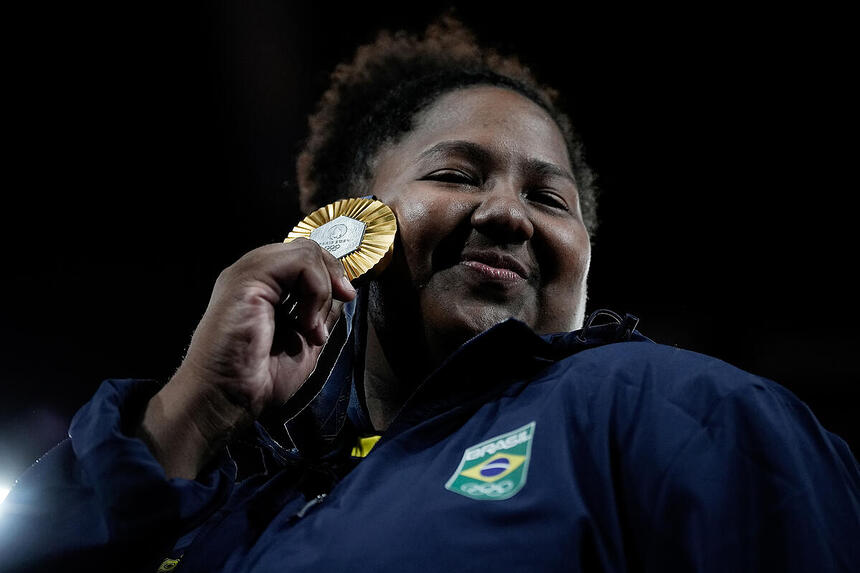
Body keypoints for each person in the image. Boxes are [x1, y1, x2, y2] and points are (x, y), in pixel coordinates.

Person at [1, 14, 857, 573]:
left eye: (549, 198)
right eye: (457, 173)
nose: (507, 213)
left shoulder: (671, 408)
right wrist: (191, 410)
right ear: (345, 223)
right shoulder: (227, 514)